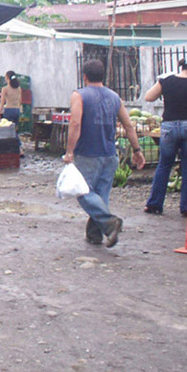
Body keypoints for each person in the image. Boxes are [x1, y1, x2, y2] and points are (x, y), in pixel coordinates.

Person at [64, 59, 144, 247]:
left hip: (88, 153)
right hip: (110, 153)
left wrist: (69, 151)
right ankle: (94, 235)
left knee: (83, 193)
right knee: (101, 195)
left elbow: (75, 123)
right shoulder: (115, 97)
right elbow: (128, 125)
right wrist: (137, 150)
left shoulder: (79, 95)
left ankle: (110, 223)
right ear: (103, 76)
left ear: (84, 76)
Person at [143, 59, 187, 216]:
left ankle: (154, 204)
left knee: (164, 165)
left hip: (168, 127)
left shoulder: (167, 81)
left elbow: (148, 97)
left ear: (180, 66)